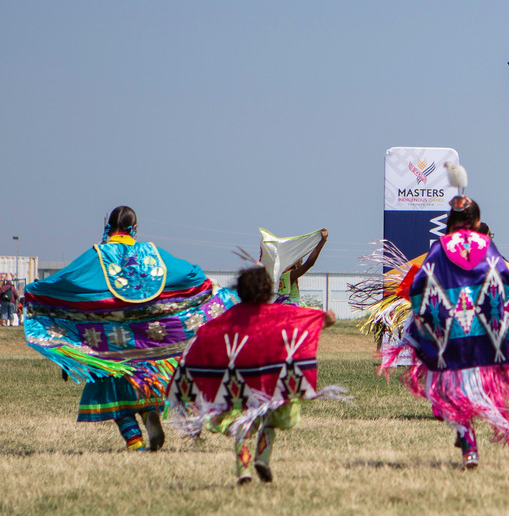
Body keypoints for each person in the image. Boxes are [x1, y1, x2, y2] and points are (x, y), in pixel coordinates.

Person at [23, 206, 237, 451]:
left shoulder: (98, 254)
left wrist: (36, 291)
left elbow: (67, 279)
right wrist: (206, 285)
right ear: (134, 228)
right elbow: (189, 273)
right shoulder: (152, 252)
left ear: (108, 227)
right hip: (146, 338)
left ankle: (135, 441)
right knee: (143, 380)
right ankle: (148, 415)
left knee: (114, 388)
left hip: (110, 340)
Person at [379, 194, 509, 469]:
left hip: (449, 333)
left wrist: (428, 320)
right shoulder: (486, 246)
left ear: (449, 222)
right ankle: (465, 436)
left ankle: (467, 441)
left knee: (449, 394)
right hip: (480, 333)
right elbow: (506, 283)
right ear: (476, 221)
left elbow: (420, 286)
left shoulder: (440, 247)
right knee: (465, 390)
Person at [168, 266, 342, 485]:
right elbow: (302, 324)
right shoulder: (279, 313)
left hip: (239, 383)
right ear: (268, 290)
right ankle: (263, 458)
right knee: (269, 421)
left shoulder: (230, 317)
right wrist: (323, 321)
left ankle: (243, 471)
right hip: (271, 379)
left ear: (241, 290)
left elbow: (207, 334)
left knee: (242, 424)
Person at [277, 229, 328, 303]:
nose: (302, 261)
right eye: (300, 259)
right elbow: (309, 263)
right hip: (292, 312)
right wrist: (322, 241)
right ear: (294, 262)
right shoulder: (290, 275)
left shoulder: (278, 276)